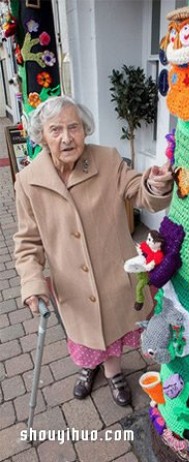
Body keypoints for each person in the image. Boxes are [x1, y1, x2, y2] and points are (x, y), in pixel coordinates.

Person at [13, 96, 173, 406]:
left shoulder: (107, 160)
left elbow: (139, 191)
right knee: (85, 340)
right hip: (71, 285)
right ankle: (88, 370)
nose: (66, 137)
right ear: (42, 136)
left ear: (85, 130)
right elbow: (28, 242)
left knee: (112, 336)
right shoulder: (28, 182)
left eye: (74, 127)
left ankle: (113, 374)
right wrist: (32, 283)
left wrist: (154, 184)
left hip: (113, 275)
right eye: (55, 129)